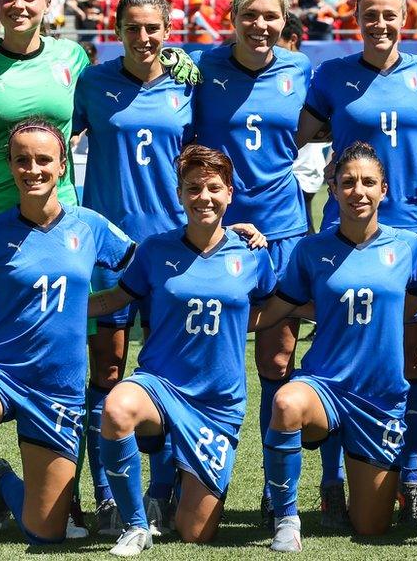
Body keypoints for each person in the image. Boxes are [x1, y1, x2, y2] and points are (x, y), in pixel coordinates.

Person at [0, 117, 135, 561]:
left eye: (43, 160)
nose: (32, 169)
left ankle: (2, 481)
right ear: (10, 165)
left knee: (46, 536)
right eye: (22, 160)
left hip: (57, 393)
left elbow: (146, 270)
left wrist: (226, 236)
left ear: (62, 166)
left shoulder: (91, 226)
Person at [251, 142, 417, 552]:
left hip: (380, 400)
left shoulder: (408, 248)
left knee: (371, 528)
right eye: (347, 182)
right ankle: (285, 516)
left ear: (384, 190)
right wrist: (223, 315)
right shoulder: (310, 250)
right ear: (332, 188)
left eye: (367, 183)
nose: (357, 191)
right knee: (287, 402)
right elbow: (275, 310)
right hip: (324, 387)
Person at [295, 0, 417, 525]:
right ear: (355, 18)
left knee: (409, 362)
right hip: (345, 236)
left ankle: (411, 478)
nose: (380, 24)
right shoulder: (332, 76)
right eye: (370, 15)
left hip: (410, 233)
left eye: (390, 15)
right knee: (338, 356)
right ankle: (332, 482)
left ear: (406, 18)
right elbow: (298, 134)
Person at [87, 145, 277, 555]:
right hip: (160, 386)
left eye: (213, 188)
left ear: (229, 193)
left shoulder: (253, 256)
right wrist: (63, 305)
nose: (203, 197)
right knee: (115, 408)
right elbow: (117, 299)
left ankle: (168, 487)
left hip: (217, 404)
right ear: (179, 194)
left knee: (194, 532)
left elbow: (272, 309)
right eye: (193, 189)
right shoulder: (155, 250)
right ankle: (136, 524)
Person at [188, 0, 312, 528]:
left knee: (277, 359)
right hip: (217, 230)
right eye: (250, 16)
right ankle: (182, 480)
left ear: (284, 20)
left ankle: (274, 490)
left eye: (271, 17)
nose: (261, 26)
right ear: (231, 18)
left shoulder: (301, 71)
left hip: (282, 231)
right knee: (200, 356)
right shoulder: (201, 69)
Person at [280, 11, 326, 233]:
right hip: (288, 170)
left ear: (292, 40)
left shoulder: (309, 79)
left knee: (301, 232)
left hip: (302, 171)